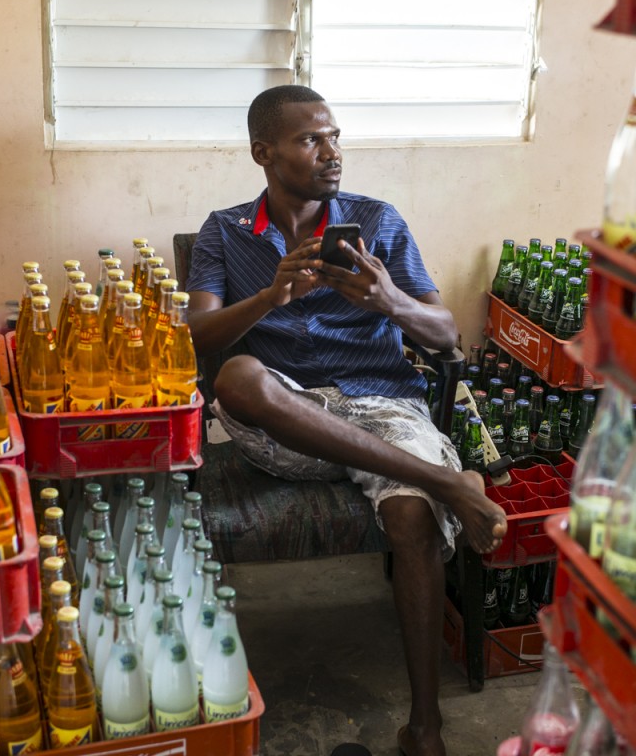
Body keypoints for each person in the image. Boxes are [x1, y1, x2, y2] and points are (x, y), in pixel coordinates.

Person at [185, 85, 508, 756]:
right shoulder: (223, 231)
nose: (332, 153)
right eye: (310, 140)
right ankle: (452, 481)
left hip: (381, 405)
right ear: (263, 153)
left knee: (411, 515)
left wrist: (390, 299)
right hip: (288, 421)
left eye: (334, 137)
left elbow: (445, 330)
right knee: (239, 377)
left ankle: (426, 727)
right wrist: (271, 296)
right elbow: (199, 337)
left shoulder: (377, 220)